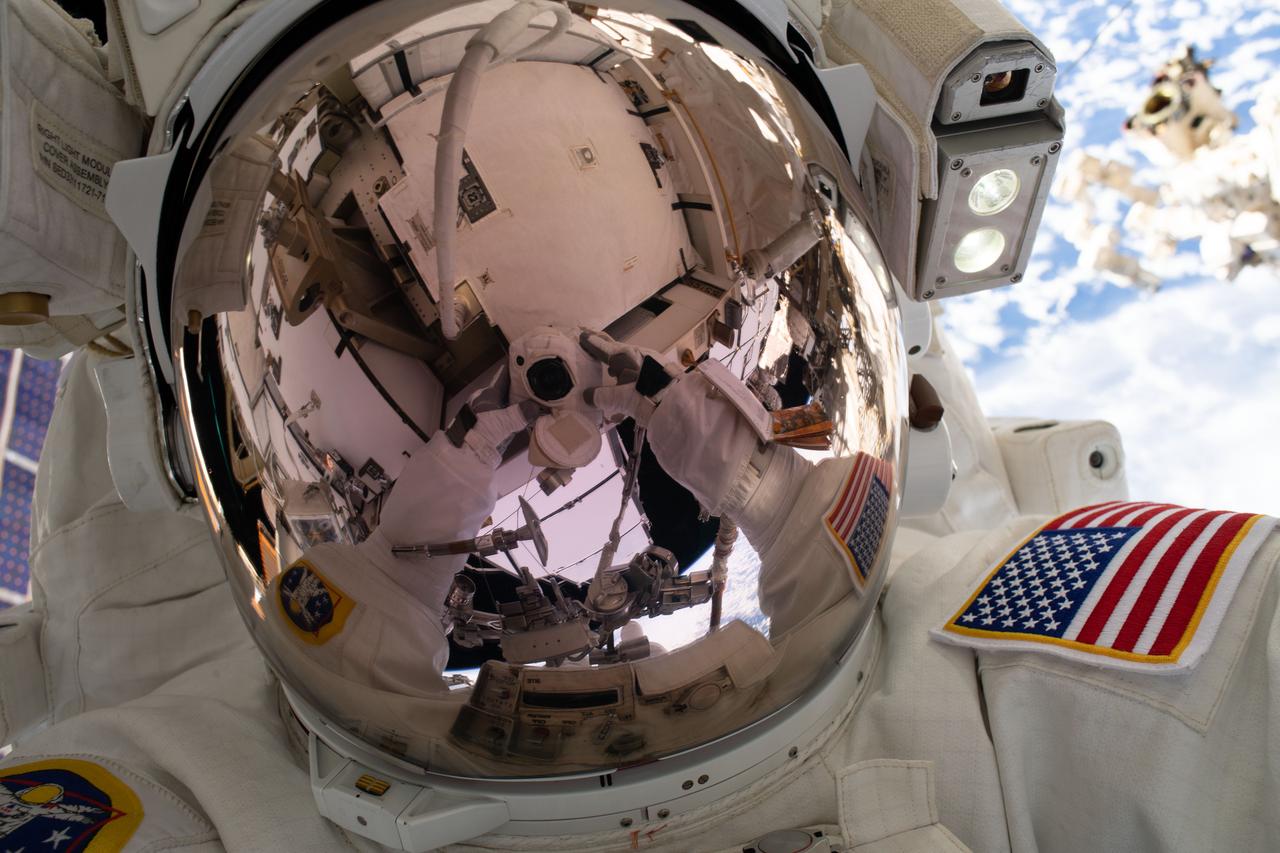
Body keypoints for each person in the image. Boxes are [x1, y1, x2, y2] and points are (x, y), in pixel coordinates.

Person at [1, 2, 1277, 852]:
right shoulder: (999, 694)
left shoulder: (191, 784)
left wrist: (453, 508)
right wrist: (751, 490)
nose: (539, 377)